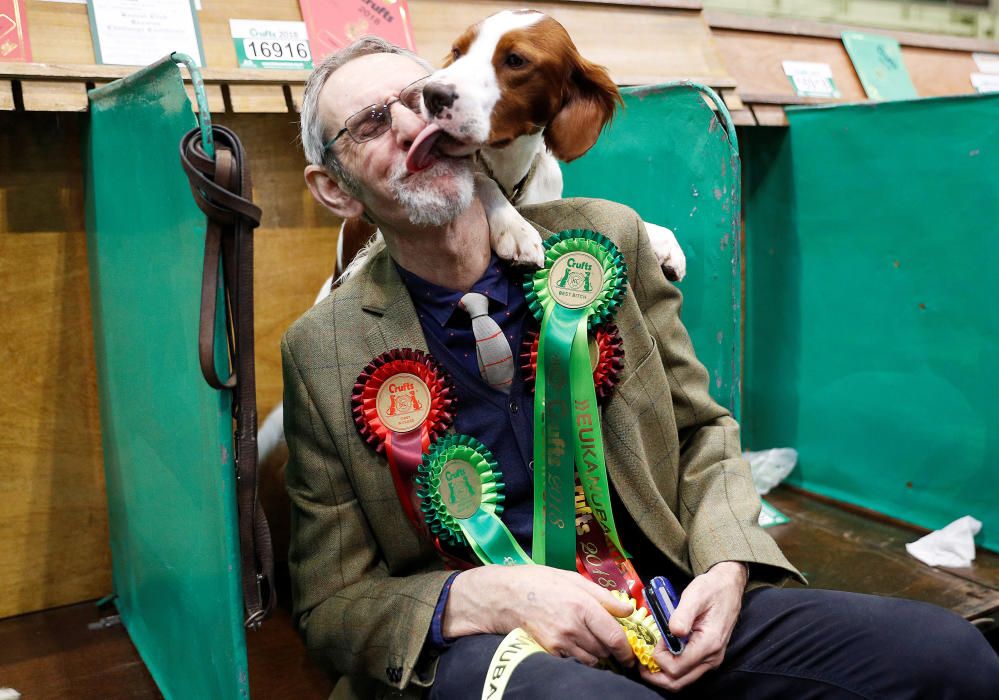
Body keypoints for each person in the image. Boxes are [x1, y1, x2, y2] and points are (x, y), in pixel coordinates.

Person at [282, 35, 999, 699]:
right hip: (488, 648)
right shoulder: (323, 349)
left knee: (948, 657)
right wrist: (481, 598)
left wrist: (726, 564)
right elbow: (331, 603)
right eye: (372, 124)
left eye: (421, 96)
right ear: (334, 189)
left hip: (659, 603)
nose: (414, 125)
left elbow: (702, 432)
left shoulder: (607, 241)